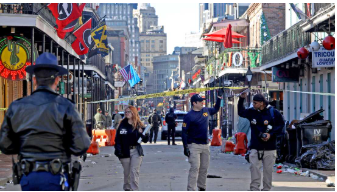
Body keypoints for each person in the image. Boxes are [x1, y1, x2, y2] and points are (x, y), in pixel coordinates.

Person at [0, 52, 91, 191]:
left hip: (28, 175)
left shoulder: (17, 106)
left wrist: (26, 144)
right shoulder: (66, 106)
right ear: (57, 80)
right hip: (56, 174)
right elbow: (82, 144)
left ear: (34, 80)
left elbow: (5, 145)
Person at [238, 93, 284, 191]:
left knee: (268, 171)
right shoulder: (252, 112)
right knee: (254, 168)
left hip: (270, 148)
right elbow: (241, 112)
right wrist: (241, 99)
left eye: (255, 103)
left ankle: (266, 189)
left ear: (261, 103)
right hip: (255, 146)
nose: (253, 105)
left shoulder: (273, 113)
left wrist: (270, 134)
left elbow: (281, 126)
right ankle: (254, 189)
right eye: (253, 103)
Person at [182, 91, 222, 191]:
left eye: (202, 101)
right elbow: (184, 133)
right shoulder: (189, 116)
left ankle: (202, 187)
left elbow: (216, 109)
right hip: (194, 145)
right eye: (200, 101)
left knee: (204, 168)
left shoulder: (206, 111)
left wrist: (219, 98)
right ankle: (191, 189)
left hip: (205, 145)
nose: (202, 103)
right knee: (195, 167)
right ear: (194, 103)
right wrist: (185, 147)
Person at [114, 106, 149, 191]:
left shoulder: (139, 125)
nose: (126, 113)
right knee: (127, 173)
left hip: (136, 151)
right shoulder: (122, 124)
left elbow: (145, 140)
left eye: (128, 112)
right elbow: (117, 139)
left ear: (133, 113)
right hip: (124, 151)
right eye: (125, 112)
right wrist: (118, 151)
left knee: (134, 171)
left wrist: (143, 134)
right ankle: (127, 188)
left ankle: (134, 189)